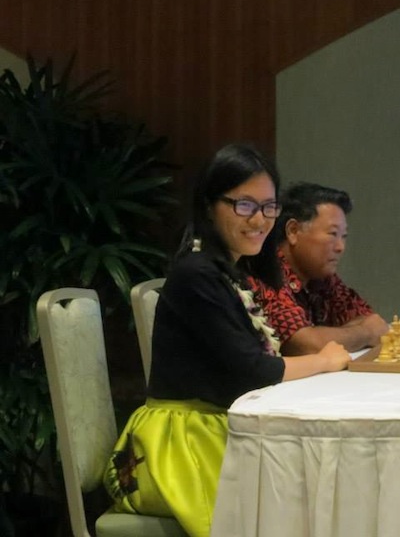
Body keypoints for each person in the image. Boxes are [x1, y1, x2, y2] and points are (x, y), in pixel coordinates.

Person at [103, 145, 350, 537]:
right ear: (208, 207)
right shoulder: (196, 274)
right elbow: (253, 372)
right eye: (244, 205)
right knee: (307, 496)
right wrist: (325, 360)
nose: (260, 220)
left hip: (207, 425)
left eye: (269, 207)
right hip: (181, 443)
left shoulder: (228, 271)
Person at [250, 182, 389, 355]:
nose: (340, 247)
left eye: (344, 236)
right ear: (293, 231)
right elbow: (305, 344)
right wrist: (365, 334)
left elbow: (370, 319)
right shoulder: (268, 272)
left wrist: (337, 334)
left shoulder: (322, 277)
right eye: (332, 234)